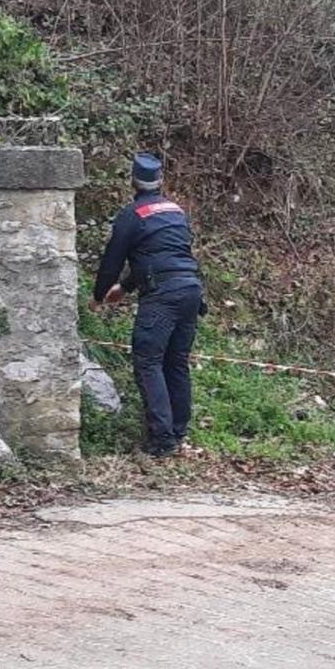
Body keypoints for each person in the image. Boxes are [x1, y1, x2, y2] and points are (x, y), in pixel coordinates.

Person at [93, 152, 205, 457]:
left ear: (132, 181)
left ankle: (162, 441)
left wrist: (100, 294)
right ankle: (178, 432)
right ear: (160, 180)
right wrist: (126, 287)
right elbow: (165, 254)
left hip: (163, 297)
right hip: (191, 290)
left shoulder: (132, 215)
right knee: (175, 362)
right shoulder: (176, 211)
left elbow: (112, 260)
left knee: (148, 361)